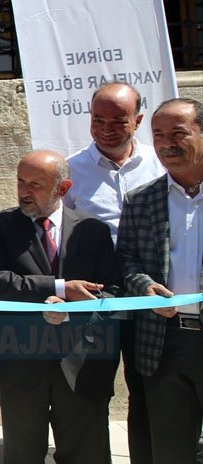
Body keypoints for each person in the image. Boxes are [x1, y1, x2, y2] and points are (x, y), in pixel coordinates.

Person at [0, 150, 121, 463]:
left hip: (81, 365)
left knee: (87, 454)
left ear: (63, 188)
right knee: (22, 455)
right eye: (20, 181)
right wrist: (59, 289)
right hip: (19, 364)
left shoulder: (93, 231)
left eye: (36, 184)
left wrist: (71, 309)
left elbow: (113, 293)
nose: (25, 191)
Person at [63, 82, 165, 464]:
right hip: (97, 304)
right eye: (98, 119)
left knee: (149, 391)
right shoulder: (71, 169)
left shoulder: (159, 166)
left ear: (137, 120)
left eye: (119, 120)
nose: (106, 128)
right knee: (90, 392)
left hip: (152, 300)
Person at [118, 97, 203, 461]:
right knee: (171, 451)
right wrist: (144, 287)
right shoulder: (141, 200)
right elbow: (126, 260)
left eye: (179, 133)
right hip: (165, 343)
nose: (168, 142)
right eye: (159, 134)